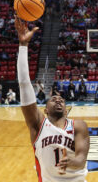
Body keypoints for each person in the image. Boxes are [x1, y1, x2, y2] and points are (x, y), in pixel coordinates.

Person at [15, 16, 90, 182]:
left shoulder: (78, 125)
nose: (58, 100)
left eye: (61, 100)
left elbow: (81, 159)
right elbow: (24, 85)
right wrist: (23, 46)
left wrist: (74, 162)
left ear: (66, 108)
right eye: (53, 99)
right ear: (45, 109)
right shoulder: (38, 125)